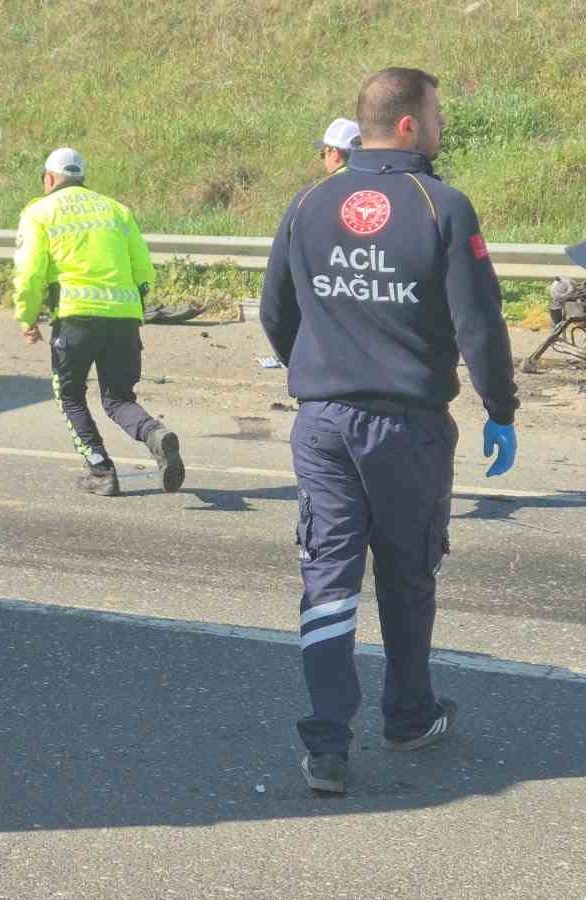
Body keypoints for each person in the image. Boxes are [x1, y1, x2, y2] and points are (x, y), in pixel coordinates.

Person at [260, 67, 520, 794]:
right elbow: (478, 323)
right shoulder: (441, 204)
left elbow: (276, 311)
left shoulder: (308, 202)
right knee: (407, 575)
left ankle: (326, 744)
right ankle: (407, 718)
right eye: (437, 113)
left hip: (322, 424)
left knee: (328, 576)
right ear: (408, 124)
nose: (442, 126)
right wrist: (500, 407)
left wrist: (320, 369)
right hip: (407, 427)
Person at [13, 147, 185, 496]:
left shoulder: (40, 211)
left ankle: (101, 471)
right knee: (119, 398)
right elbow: (143, 271)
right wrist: (132, 305)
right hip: (123, 318)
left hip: (76, 319)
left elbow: (29, 272)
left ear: (48, 178)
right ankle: (154, 433)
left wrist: (27, 317)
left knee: (70, 396)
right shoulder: (117, 210)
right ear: (81, 178)